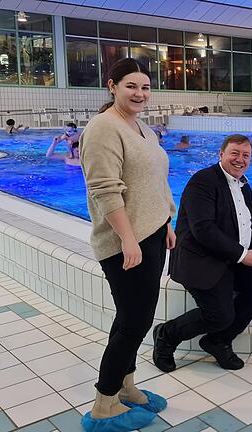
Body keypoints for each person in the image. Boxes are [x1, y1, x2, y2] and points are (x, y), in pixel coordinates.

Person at [79, 58, 177, 432]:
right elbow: (104, 190)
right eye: (131, 86)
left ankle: (125, 385)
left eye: (146, 87)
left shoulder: (141, 128)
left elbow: (157, 180)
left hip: (150, 234)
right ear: (112, 86)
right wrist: (128, 238)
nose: (140, 93)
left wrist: (166, 219)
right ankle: (104, 402)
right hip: (126, 242)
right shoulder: (103, 128)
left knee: (130, 317)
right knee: (135, 322)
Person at [152, 134, 252, 373]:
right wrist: (243, 255)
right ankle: (167, 335)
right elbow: (203, 229)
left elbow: (251, 219)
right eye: (235, 153)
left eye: (246, 155)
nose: (240, 159)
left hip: (230, 256)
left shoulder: (242, 184)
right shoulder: (202, 182)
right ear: (221, 154)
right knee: (219, 315)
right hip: (203, 259)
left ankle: (218, 340)